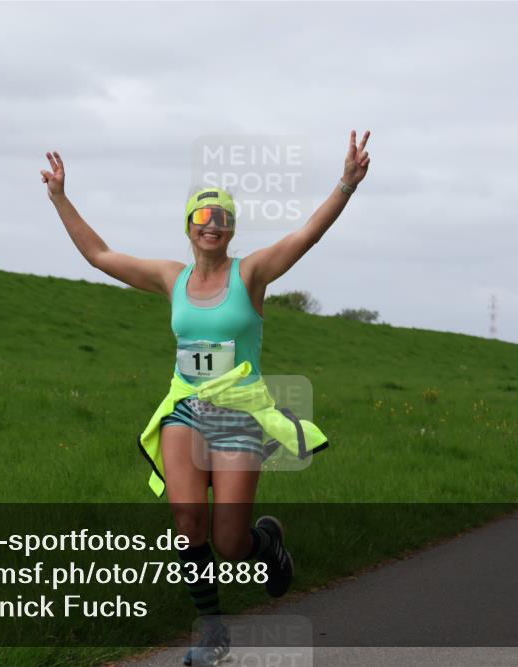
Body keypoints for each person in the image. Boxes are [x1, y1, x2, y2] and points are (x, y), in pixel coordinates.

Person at [40, 130, 371, 666]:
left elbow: (306, 235)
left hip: (240, 412)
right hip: (185, 408)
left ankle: (267, 545)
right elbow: (100, 255)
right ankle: (212, 632)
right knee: (187, 521)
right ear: (189, 228)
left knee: (230, 542)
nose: (212, 226)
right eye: (203, 218)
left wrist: (345, 185)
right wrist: (59, 198)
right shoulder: (172, 278)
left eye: (222, 219)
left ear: (231, 229)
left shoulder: (252, 274)